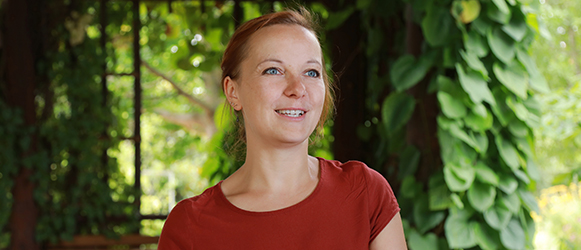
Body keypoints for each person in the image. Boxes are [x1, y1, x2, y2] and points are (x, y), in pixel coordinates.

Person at [158, 8, 407, 249]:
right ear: (233, 92)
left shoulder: (365, 193)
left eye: (311, 72)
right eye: (273, 70)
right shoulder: (190, 226)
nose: (297, 88)